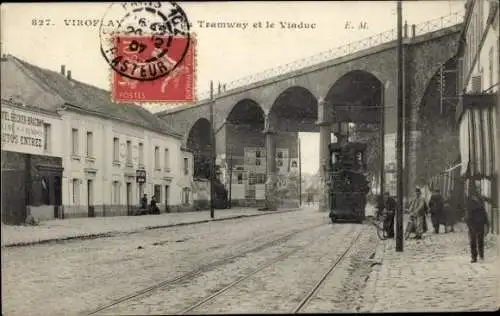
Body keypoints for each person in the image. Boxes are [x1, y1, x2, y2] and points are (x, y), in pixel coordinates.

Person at [466, 190, 489, 263]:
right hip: (477, 224)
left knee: (475, 241)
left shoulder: (471, 205)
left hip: (475, 225)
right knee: (478, 241)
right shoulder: (480, 205)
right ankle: (479, 256)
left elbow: (468, 215)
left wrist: (468, 223)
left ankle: (475, 257)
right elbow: (485, 215)